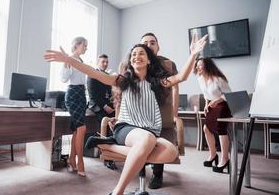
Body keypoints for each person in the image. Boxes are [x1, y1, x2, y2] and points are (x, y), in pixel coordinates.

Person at [44, 34, 207, 195]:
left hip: (149, 131)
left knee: (171, 151)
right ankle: (118, 191)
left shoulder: (156, 82)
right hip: (127, 128)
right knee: (147, 140)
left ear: (149, 60)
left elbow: (181, 77)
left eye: (141, 53)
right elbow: (94, 73)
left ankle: (108, 145)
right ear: (130, 61)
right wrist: (69, 60)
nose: (137, 56)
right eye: (134, 54)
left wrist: (193, 54)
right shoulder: (122, 80)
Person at [140, 32, 184, 189]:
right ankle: (141, 169)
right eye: (145, 43)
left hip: (161, 107)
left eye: (152, 42)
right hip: (140, 108)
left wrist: (174, 113)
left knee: (160, 139)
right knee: (141, 139)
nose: (149, 45)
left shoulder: (168, 64)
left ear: (158, 46)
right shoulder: (135, 62)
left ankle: (157, 174)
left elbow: (175, 88)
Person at [193, 57, 231, 173]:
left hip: (223, 106)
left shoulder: (218, 79)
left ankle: (225, 159)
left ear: (207, 66)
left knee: (221, 130)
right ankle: (213, 155)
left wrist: (215, 101)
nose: (197, 67)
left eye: (200, 65)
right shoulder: (200, 79)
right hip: (211, 105)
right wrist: (206, 104)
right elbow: (205, 94)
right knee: (206, 128)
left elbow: (228, 95)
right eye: (197, 65)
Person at [60, 36, 88, 177]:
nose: (86, 48)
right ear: (76, 45)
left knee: (78, 130)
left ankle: (72, 159)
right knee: (82, 128)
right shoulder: (70, 59)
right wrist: (66, 62)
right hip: (72, 94)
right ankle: (80, 162)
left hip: (82, 95)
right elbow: (64, 78)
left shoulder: (81, 60)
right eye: (84, 45)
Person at [86, 54, 117, 170]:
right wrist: (105, 106)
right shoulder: (92, 75)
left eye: (106, 62)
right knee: (107, 126)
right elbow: (93, 95)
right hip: (96, 106)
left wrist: (112, 104)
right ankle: (108, 158)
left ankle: (116, 152)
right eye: (103, 62)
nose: (105, 64)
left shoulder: (108, 76)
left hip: (107, 105)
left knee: (117, 122)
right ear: (97, 62)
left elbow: (109, 94)